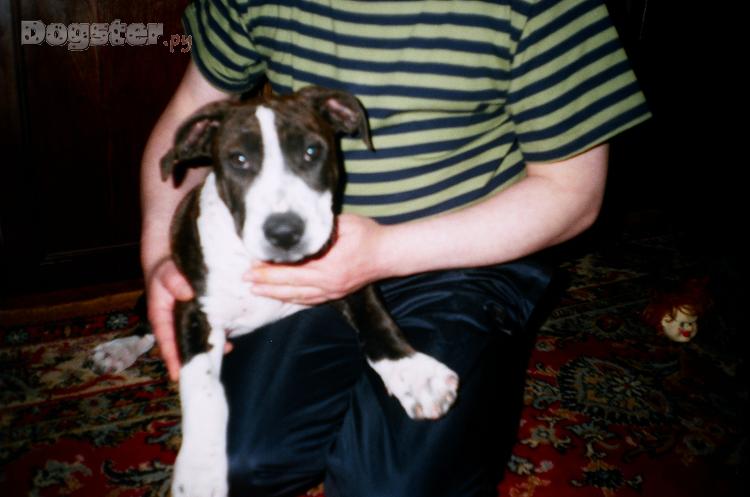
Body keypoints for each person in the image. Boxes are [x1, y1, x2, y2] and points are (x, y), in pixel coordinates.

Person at [143, 1, 650, 496]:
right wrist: (161, 258)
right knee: (234, 467)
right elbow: (190, 110)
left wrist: (383, 251)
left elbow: (574, 195)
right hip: (312, 265)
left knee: (391, 486)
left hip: (472, 255)